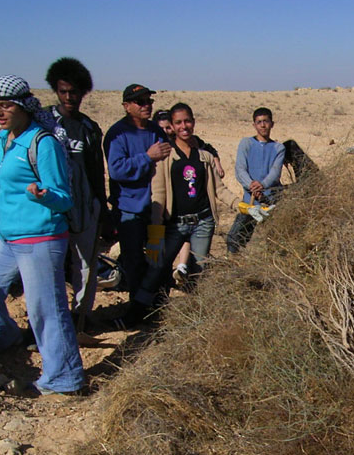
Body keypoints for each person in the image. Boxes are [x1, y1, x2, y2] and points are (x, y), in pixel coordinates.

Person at [0, 75, 85, 395]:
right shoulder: (2, 139)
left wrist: (43, 195)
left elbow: (63, 196)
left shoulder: (42, 142)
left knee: (47, 310)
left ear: (25, 106)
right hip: (7, 238)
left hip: (41, 238)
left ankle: (64, 379)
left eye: (6, 106)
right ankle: (5, 338)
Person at [115, 103, 225, 328]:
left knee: (199, 272)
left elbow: (219, 189)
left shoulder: (204, 155)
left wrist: (244, 205)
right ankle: (135, 315)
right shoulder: (165, 156)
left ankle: (198, 320)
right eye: (178, 122)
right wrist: (155, 234)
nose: (184, 126)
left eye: (187, 121)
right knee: (156, 269)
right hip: (175, 224)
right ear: (172, 127)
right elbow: (159, 196)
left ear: (193, 122)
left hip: (203, 221)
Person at [44, 57, 106, 329]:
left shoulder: (90, 129)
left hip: (85, 205)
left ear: (83, 93)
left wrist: (102, 207)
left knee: (85, 265)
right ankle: (53, 318)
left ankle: (81, 317)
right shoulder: (43, 122)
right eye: (63, 91)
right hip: (50, 206)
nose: (69, 97)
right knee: (51, 264)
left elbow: (96, 171)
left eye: (74, 92)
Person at [103, 84, 170, 297]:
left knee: (158, 258)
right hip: (129, 209)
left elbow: (169, 160)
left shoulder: (156, 131)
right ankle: (136, 306)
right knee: (133, 260)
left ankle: (158, 305)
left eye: (149, 101)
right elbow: (117, 170)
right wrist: (147, 158)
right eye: (140, 102)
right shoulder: (117, 134)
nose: (147, 106)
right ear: (126, 106)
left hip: (156, 208)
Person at [226, 107, 285, 254]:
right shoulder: (246, 143)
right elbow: (240, 170)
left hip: (271, 201)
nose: (263, 125)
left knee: (276, 241)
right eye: (259, 122)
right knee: (234, 239)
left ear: (272, 124)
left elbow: (275, 172)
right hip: (250, 201)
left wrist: (263, 185)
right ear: (254, 125)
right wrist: (251, 185)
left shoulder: (278, 148)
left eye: (266, 121)